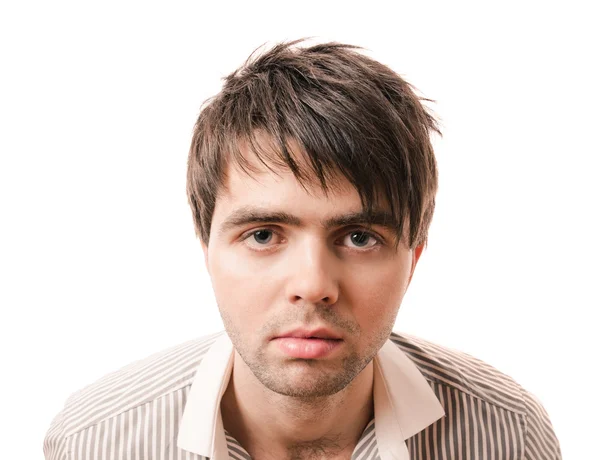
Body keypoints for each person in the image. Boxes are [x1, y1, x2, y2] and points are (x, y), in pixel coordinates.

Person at [44, 39, 561, 460]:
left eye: (360, 237)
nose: (313, 285)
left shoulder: (510, 438)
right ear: (207, 249)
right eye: (264, 235)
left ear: (413, 260)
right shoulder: (95, 441)